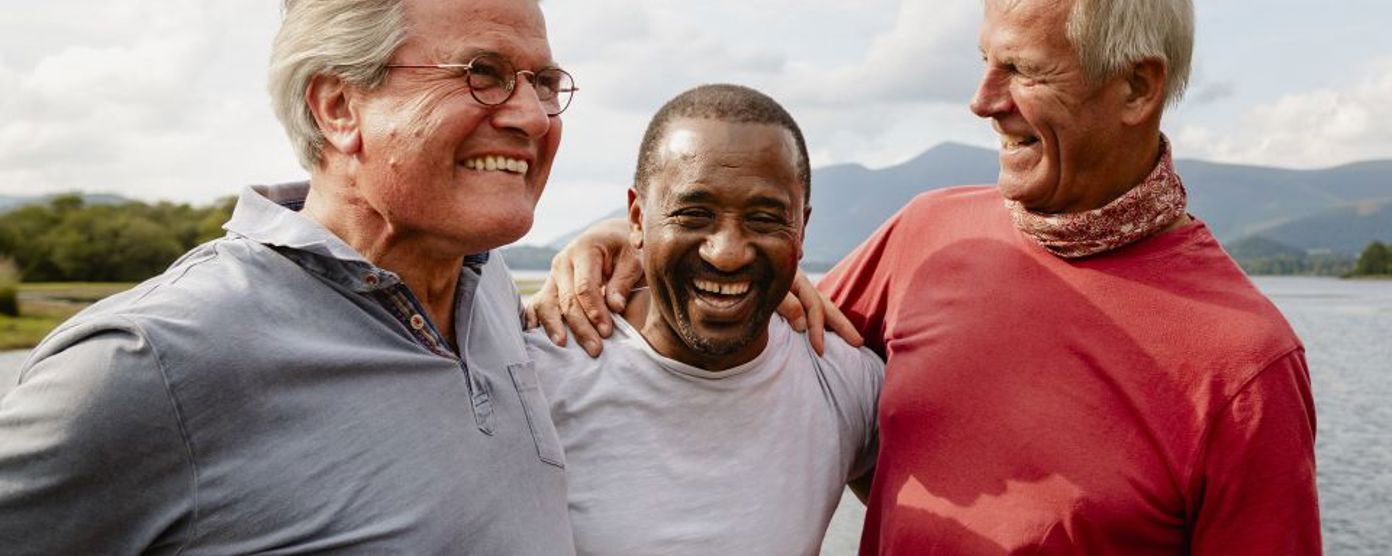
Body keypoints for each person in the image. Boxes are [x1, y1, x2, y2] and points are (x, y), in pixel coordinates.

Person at [531, 0, 1322, 553]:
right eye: (985, 60)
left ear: (1138, 87)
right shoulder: (930, 233)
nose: (982, 100)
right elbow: (740, 316)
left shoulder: (1246, 364)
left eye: (1023, 70)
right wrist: (625, 241)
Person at [0, 0, 578, 552]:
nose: (531, 116)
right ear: (338, 107)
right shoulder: (149, 360)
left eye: (544, 83)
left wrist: (634, 245)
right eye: (483, 73)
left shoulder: (490, 287)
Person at [527, 84, 881, 555]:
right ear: (637, 218)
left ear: (801, 229)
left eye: (763, 219)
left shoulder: (844, 381)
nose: (728, 254)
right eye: (693, 214)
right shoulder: (537, 373)